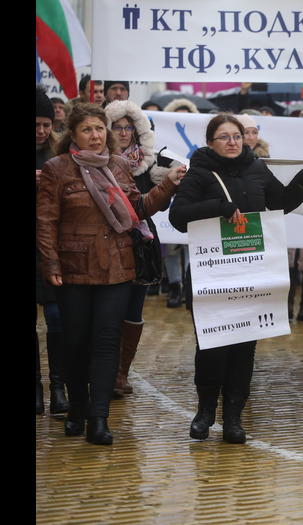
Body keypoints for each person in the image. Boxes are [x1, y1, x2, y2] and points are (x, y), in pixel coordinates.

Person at [168, 113, 303, 444]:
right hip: (212, 275)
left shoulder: (257, 168)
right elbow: (178, 217)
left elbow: (279, 202)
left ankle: (234, 417)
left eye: (237, 136)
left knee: (244, 347)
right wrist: (218, 207)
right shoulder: (199, 171)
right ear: (210, 143)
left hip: (251, 273)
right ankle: (205, 411)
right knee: (212, 345)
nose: (232, 142)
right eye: (224, 137)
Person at [36, 102, 180, 445]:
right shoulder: (57, 168)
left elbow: (138, 209)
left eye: (100, 128)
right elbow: (45, 222)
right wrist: (50, 263)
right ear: (73, 134)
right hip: (72, 270)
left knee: (106, 342)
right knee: (74, 343)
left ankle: (98, 419)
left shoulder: (118, 165)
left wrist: (169, 185)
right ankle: (77, 409)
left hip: (117, 267)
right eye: (87, 129)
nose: (96, 135)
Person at [104, 100, 186, 397]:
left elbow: (155, 204)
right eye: (118, 127)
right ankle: (105, 371)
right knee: (109, 310)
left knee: (134, 310)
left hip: (141, 244)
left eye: (129, 128)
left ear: (137, 131)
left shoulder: (147, 164)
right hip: (108, 243)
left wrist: (172, 182)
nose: (124, 133)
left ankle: (121, 373)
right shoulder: (96, 162)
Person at [36, 85, 69, 416]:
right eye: (36, 125)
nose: (42, 131)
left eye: (46, 124)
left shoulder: (58, 156)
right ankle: (36, 388)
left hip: (52, 249)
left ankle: (59, 387)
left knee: (57, 320)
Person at [161, 98, 201, 307]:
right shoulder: (164, 137)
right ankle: (174, 286)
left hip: (192, 194)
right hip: (171, 190)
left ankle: (188, 287)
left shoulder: (198, 143)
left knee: (188, 247)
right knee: (170, 248)